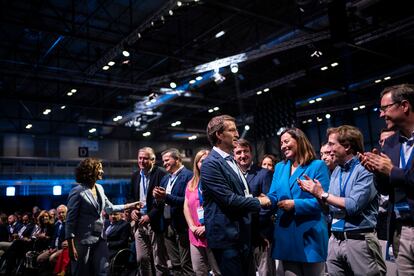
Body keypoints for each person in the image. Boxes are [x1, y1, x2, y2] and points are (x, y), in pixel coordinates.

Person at [299, 125, 386, 275]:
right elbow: (330, 210)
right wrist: (318, 195)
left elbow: (353, 206)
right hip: (335, 239)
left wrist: (322, 194)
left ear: (346, 146)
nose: (328, 148)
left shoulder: (365, 169)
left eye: (332, 144)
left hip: (359, 240)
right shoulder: (336, 170)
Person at [200, 115, 270, 276]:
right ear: (219, 135)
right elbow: (229, 200)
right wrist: (260, 201)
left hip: (241, 236)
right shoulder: (210, 164)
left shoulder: (230, 160)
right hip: (227, 239)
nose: (238, 134)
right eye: (232, 130)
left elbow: (242, 194)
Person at [359, 84, 414, 275]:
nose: (381, 115)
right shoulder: (389, 143)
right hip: (400, 230)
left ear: (404, 105)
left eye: (385, 108)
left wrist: (391, 170)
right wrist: (377, 171)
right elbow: (385, 189)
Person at [264, 127, 330, 276]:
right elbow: (274, 195)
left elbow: (324, 201)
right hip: (285, 233)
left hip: (309, 234)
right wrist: (264, 200)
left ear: (299, 140)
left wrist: (295, 204)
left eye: (286, 141)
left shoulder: (317, 166)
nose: (283, 146)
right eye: (281, 143)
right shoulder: (280, 167)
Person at [66, 158, 141, 276]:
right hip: (83, 241)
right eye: (99, 169)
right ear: (90, 171)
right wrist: (71, 247)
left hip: (101, 238)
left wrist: (131, 205)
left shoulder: (100, 188)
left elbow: (109, 208)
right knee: (82, 272)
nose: (102, 171)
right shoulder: (77, 191)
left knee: (103, 271)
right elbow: (70, 221)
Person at [234, 139, 275, 276]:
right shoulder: (232, 176)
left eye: (245, 151)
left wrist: (260, 232)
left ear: (251, 153)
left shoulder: (263, 173)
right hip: (240, 235)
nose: (242, 155)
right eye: (238, 152)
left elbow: (268, 204)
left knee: (265, 272)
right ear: (233, 155)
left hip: (261, 234)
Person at [153, 148, 194, 275]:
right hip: (167, 224)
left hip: (182, 225)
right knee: (175, 265)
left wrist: (166, 197)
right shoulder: (165, 179)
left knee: (186, 264)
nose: (164, 163)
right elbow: (161, 202)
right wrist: (157, 198)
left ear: (177, 159)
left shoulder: (189, 176)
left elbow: (188, 202)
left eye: (167, 160)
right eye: (163, 161)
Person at [129, 147, 169, 276]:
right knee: (141, 259)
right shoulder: (135, 176)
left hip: (156, 222)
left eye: (145, 158)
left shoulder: (162, 174)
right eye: (140, 158)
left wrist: (150, 216)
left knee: (159, 261)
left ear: (153, 160)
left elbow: (164, 200)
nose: (142, 161)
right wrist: (133, 210)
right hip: (139, 222)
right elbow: (130, 197)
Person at [183, 149, 221, 276]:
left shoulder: (217, 181)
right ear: (196, 164)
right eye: (202, 161)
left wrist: (207, 227)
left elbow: (220, 208)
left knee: (218, 271)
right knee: (199, 270)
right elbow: (186, 207)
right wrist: (192, 226)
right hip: (195, 235)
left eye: (207, 161)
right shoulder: (191, 183)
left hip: (213, 232)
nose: (204, 164)